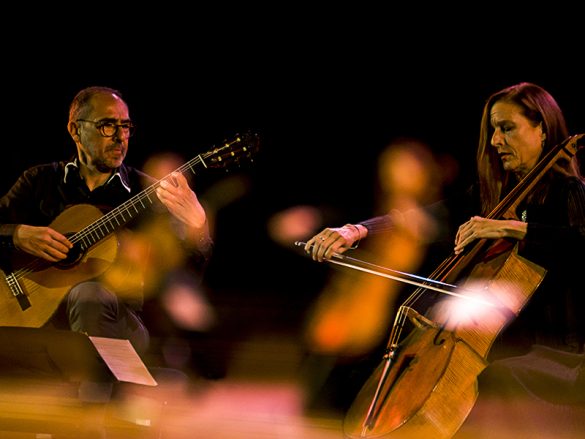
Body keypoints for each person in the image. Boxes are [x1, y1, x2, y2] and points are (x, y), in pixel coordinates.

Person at [304, 82, 585, 437]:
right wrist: (356, 230)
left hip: (555, 350)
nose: (496, 141)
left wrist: (512, 229)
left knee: (491, 383)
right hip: (501, 343)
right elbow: (425, 215)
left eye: (507, 128)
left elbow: (578, 244)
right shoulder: (496, 198)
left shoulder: (569, 193)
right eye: (493, 130)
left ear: (542, 128)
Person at [0, 86, 213, 407]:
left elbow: (187, 272)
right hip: (37, 317)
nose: (119, 137)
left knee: (88, 294)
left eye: (125, 126)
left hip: (116, 326)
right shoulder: (38, 182)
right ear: (75, 129)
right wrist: (17, 234)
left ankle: (105, 392)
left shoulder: (145, 193)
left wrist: (198, 228)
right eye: (107, 125)